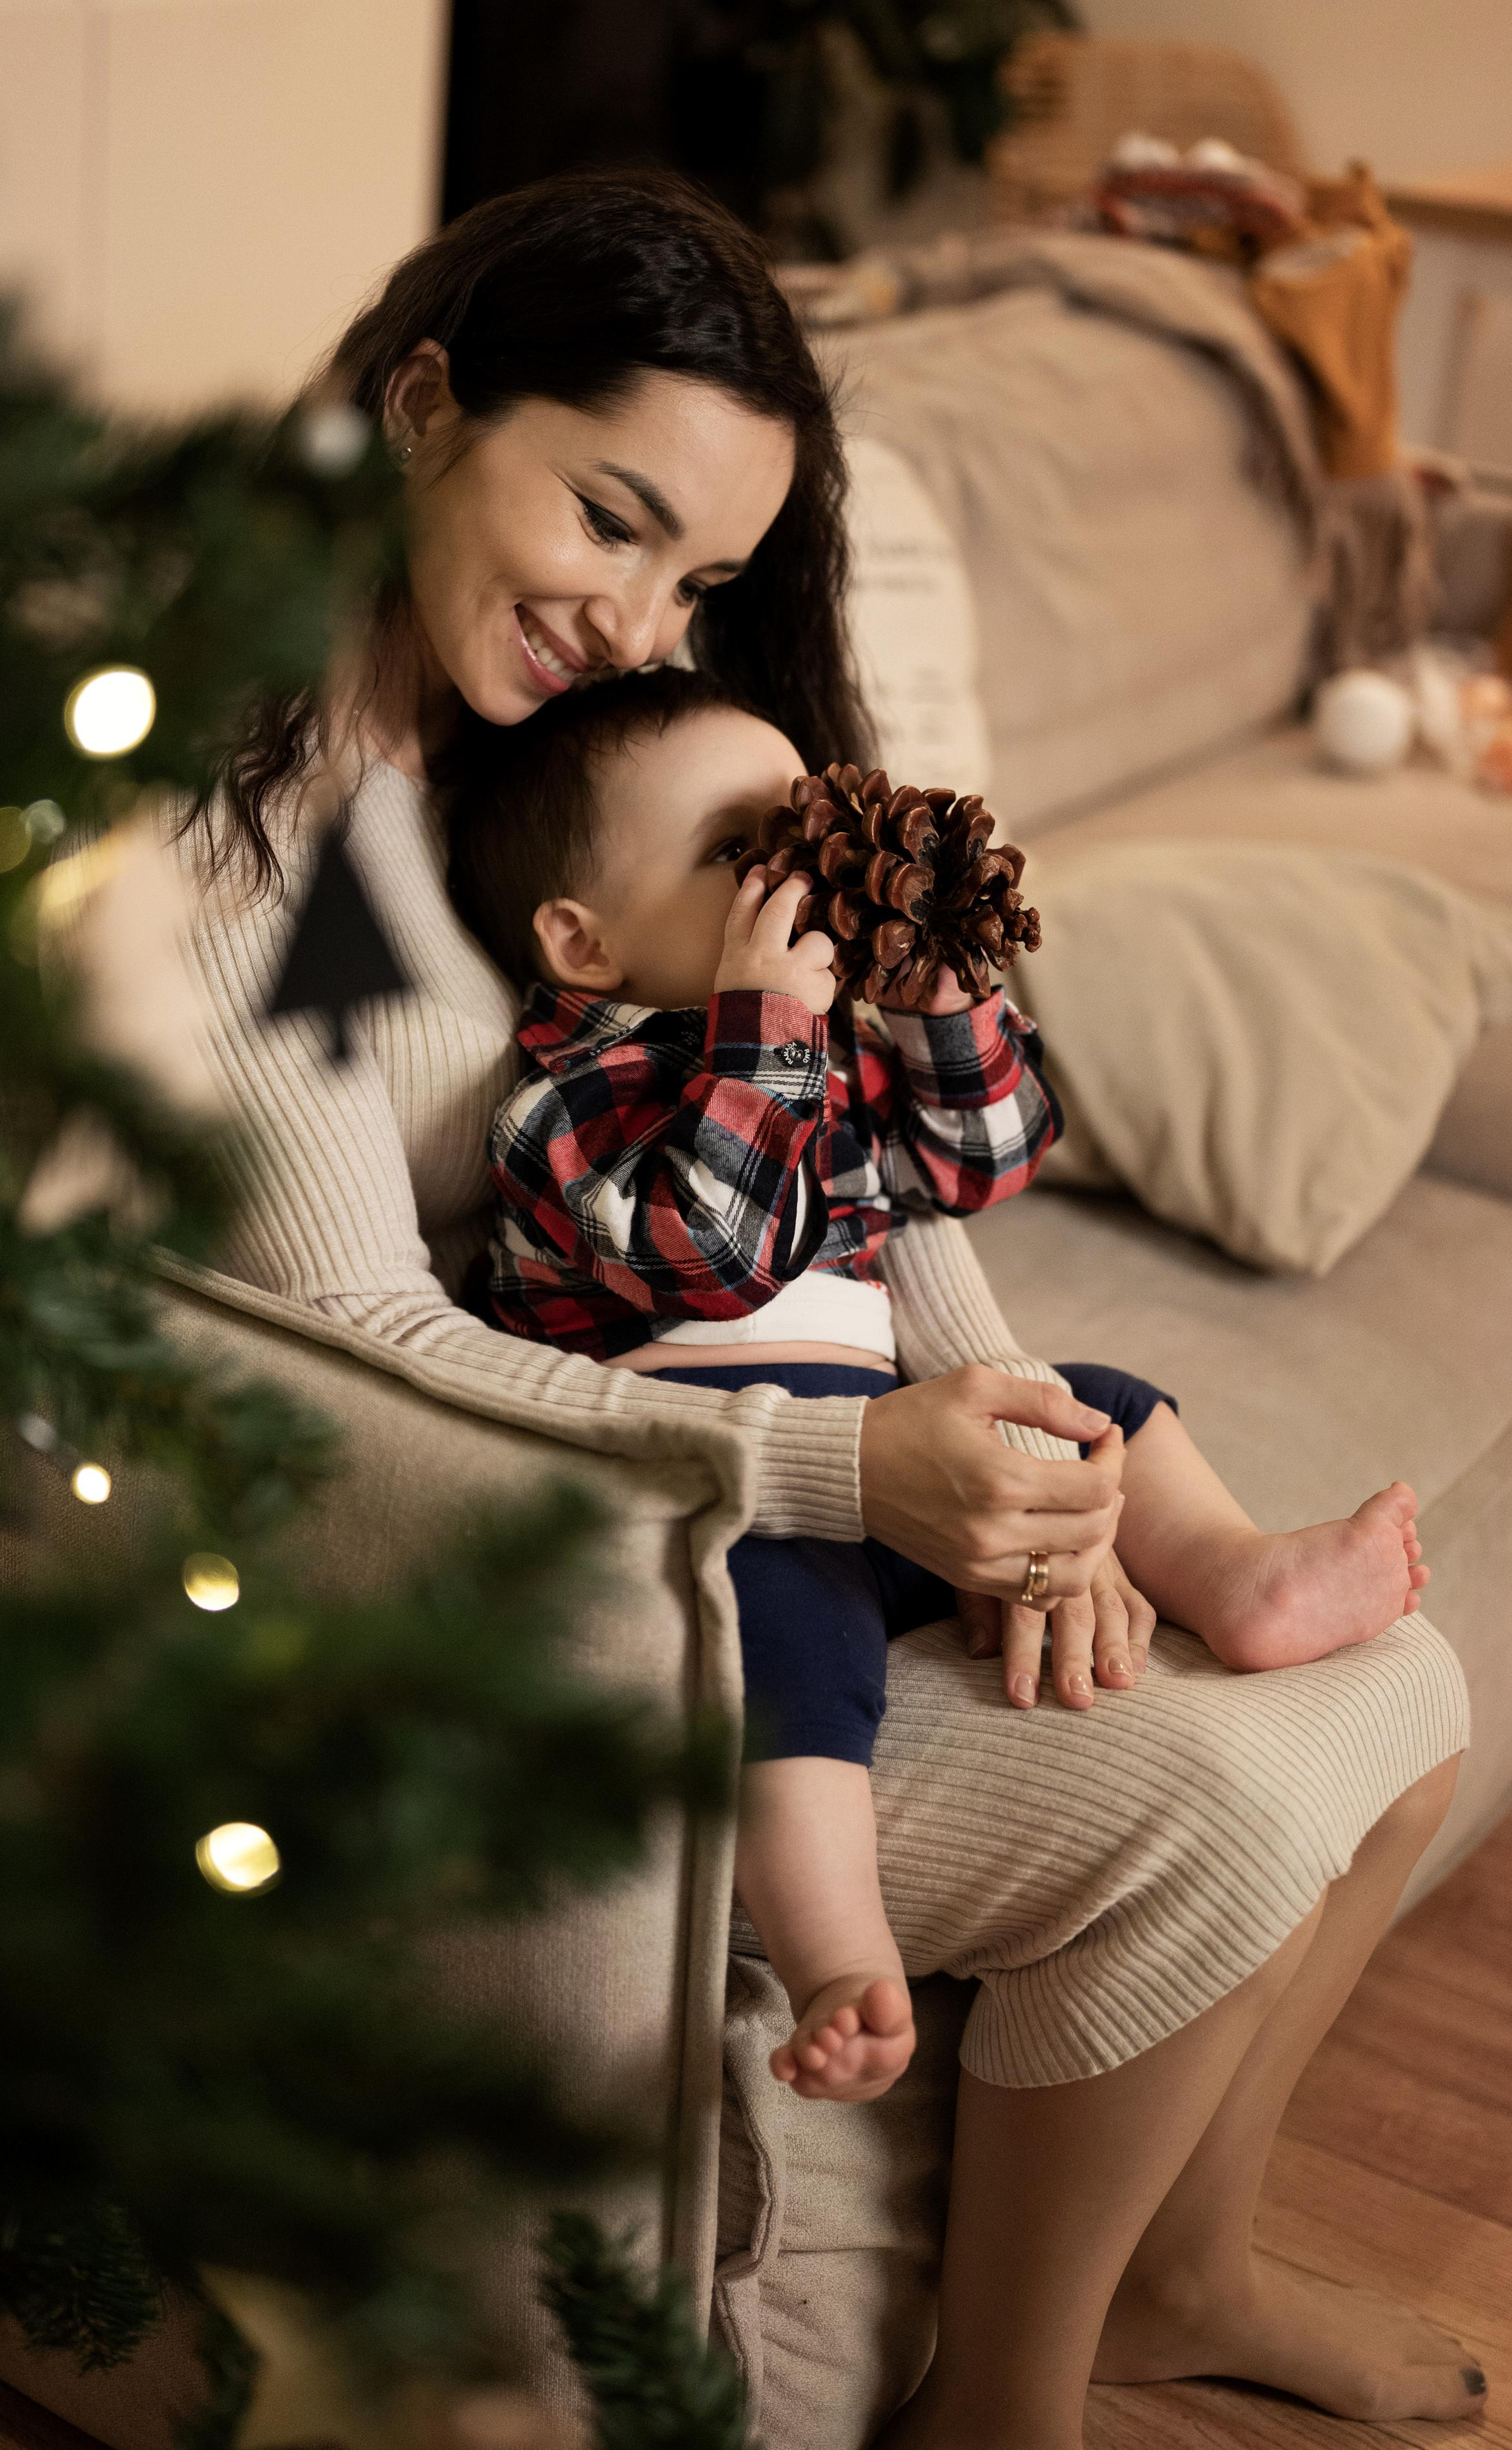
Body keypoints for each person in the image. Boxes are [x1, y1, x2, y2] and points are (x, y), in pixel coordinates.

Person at [174, 168, 1479, 2443]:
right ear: (419, 405)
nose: (641, 620)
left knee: (1406, 1679)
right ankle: (1016, 2408)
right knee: (1216, 1804)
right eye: (608, 515)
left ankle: (1184, 2269)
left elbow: (834, 1164)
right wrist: (852, 1460)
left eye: (701, 578)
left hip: (705, 1427)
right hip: (526, 1559)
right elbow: (357, 1347)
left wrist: (1010, 1446)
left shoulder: (567, 765)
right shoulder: (248, 856)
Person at [444, 667, 1429, 2106]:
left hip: (893, 1467)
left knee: (1096, 1399)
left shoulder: (824, 1058)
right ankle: (835, 1950)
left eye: (799, 835)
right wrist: (767, 1036)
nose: (792, 876)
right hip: (721, 1502)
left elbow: (984, 1164)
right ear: (579, 943)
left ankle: (1238, 1577)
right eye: (736, 854)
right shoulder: (568, 1094)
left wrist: (943, 992)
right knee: (786, 1641)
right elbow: (709, 1256)